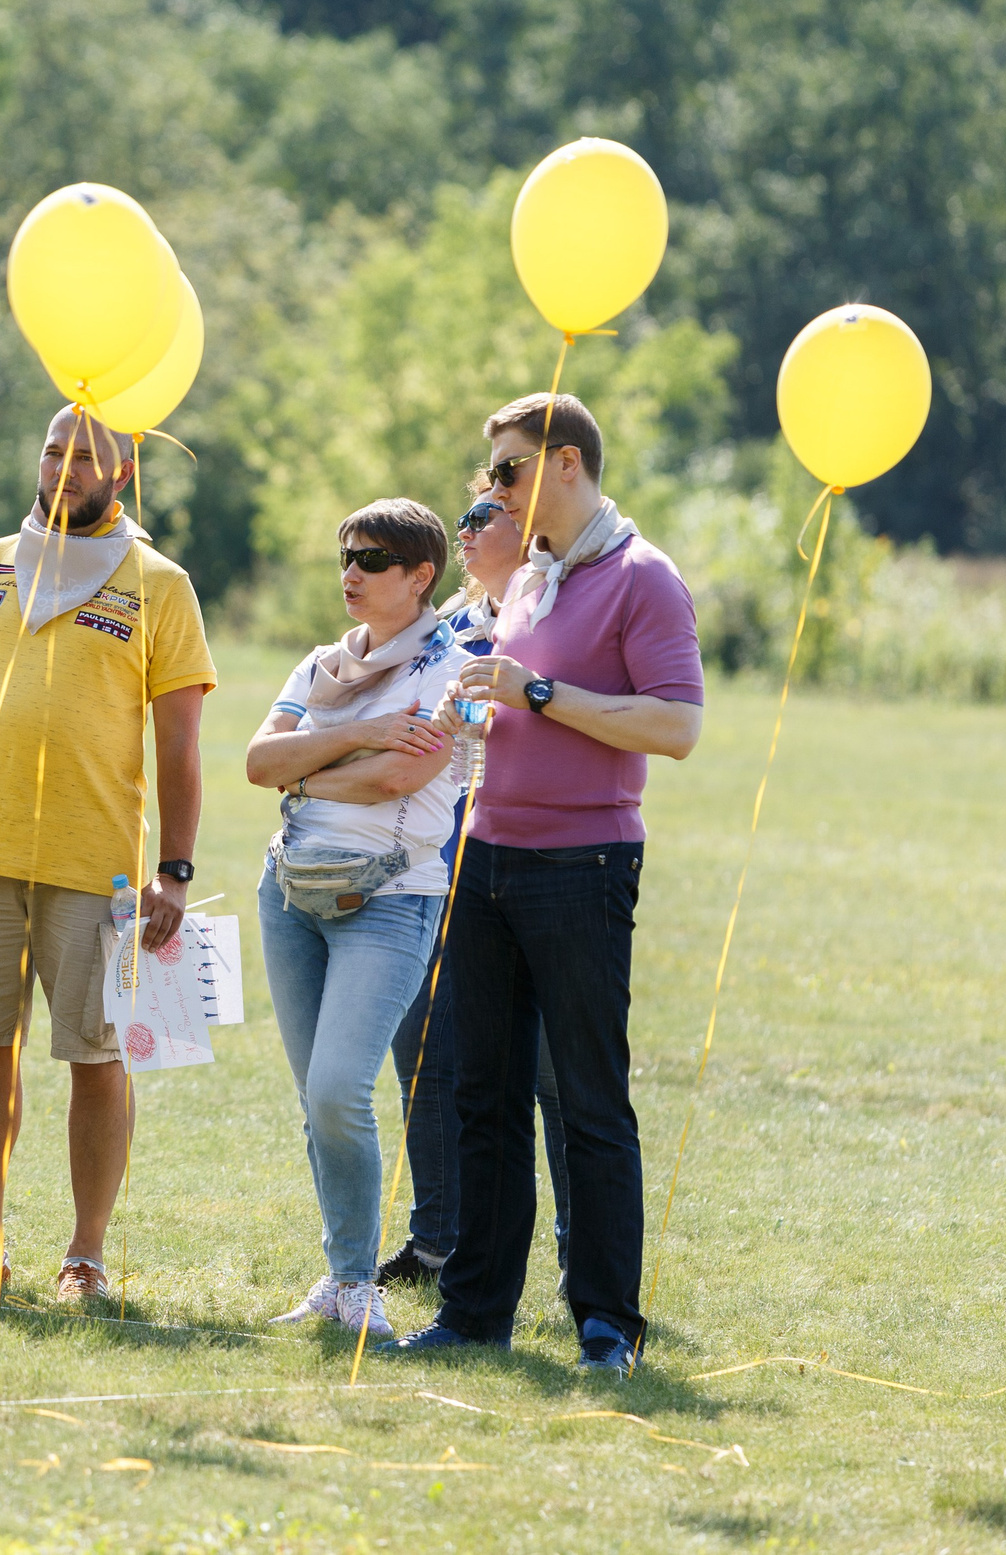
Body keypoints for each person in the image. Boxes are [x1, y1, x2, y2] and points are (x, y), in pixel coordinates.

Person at [382, 393, 704, 1373]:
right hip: (486, 856)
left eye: (510, 472)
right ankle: (475, 1312)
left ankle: (606, 1324)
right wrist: (484, 713)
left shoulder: (643, 578)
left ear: (566, 465)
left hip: (582, 866)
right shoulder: (526, 580)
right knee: (482, 1093)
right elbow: (520, 700)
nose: (495, 492)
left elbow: (674, 726)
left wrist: (538, 694)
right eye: (492, 476)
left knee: (590, 1102)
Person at [0, 405, 215, 1302]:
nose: (65, 468)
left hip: (97, 866)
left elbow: (180, 743)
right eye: (54, 449)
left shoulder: (160, 583)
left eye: (87, 456)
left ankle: (86, 1255)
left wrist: (174, 869)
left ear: (124, 471)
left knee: (96, 1057)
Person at [243, 499, 470, 1338]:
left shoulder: (455, 670)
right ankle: (345, 1279)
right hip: (292, 894)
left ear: (420, 577)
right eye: (346, 555)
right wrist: (366, 734)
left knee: (341, 1088)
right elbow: (257, 760)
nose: (352, 572)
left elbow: (396, 783)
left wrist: (307, 771)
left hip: (391, 900)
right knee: (317, 1097)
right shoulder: (320, 666)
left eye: (373, 560)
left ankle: (362, 1286)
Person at [379, 490, 576, 1295]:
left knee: (554, 1069)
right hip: (437, 862)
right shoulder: (445, 632)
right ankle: (437, 1242)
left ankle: (581, 1257)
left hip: (537, 859)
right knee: (421, 1037)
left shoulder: (564, 617)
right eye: (460, 519)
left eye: (483, 516)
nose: (464, 531)